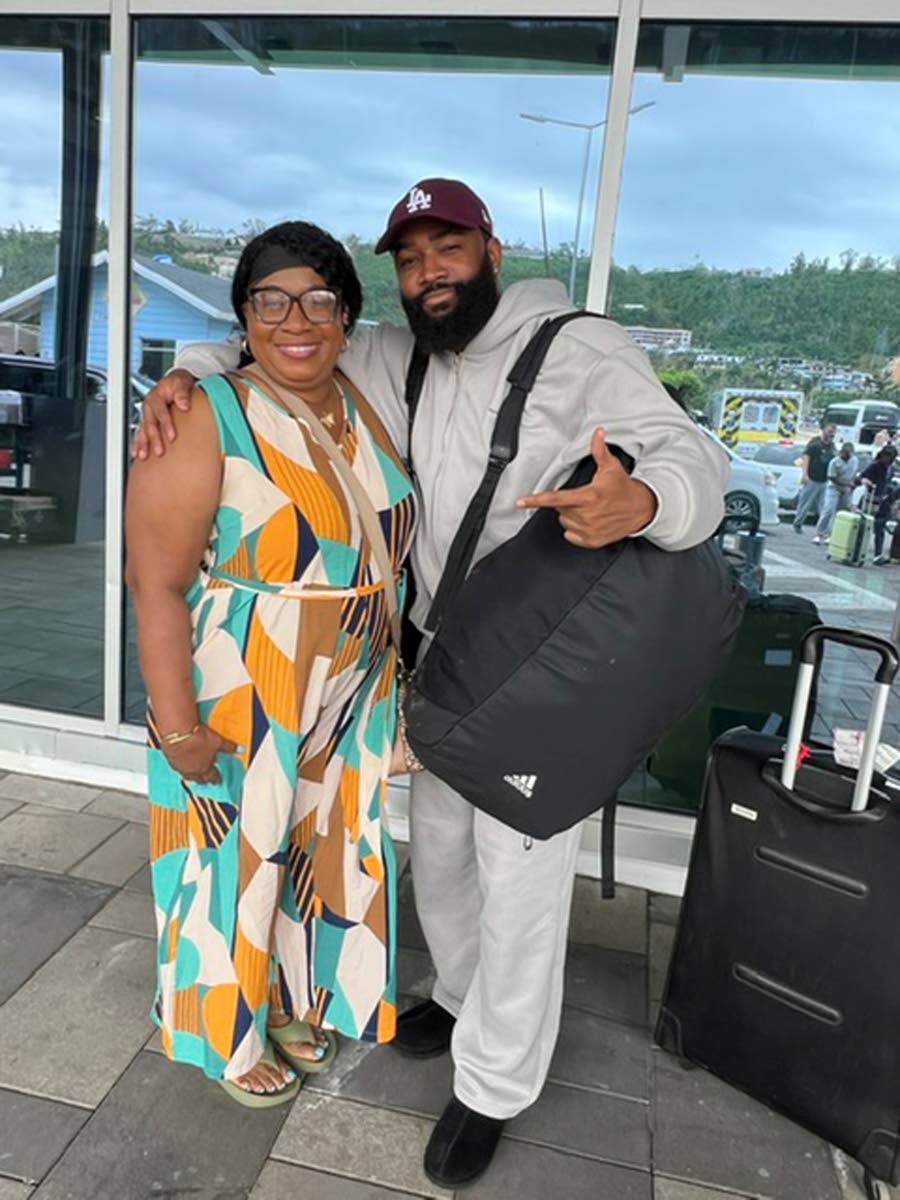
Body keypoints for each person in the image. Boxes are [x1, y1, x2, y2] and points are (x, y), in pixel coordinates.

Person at [134, 178, 728, 1186]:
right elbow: (274, 342)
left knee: (521, 877)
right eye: (410, 261)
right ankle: (457, 997)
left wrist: (646, 501)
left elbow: (695, 456)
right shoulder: (400, 351)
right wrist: (181, 376)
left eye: (448, 249)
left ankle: (495, 1083)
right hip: (437, 664)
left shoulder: (580, 349)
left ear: (491, 251)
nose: (429, 274)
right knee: (441, 850)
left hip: (545, 675)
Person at [125, 221, 416, 1107]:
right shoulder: (207, 412)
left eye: (319, 300)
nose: (296, 320)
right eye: (271, 301)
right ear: (244, 317)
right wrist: (177, 726)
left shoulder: (360, 402)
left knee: (318, 850)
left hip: (346, 694)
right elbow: (155, 583)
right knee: (233, 859)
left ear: (347, 315)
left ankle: (292, 996)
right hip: (244, 682)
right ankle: (226, 1034)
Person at [857, 445, 898, 564]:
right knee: (865, 527)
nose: (887, 459)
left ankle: (878, 555)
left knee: (880, 528)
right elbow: (861, 477)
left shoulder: (891, 469)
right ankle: (858, 551)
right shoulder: (875, 466)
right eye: (886, 456)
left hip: (882, 502)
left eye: (890, 457)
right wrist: (865, 481)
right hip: (870, 500)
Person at [793, 420, 836, 533]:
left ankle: (823, 529)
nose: (831, 435)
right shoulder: (815, 444)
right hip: (812, 478)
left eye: (833, 432)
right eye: (829, 431)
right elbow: (806, 458)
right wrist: (805, 474)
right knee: (805, 503)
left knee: (824, 506)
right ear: (823, 430)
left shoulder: (832, 446)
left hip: (824, 480)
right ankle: (798, 523)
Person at [813, 441, 857, 545]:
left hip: (846, 489)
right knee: (828, 510)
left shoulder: (854, 460)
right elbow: (832, 477)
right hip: (834, 488)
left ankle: (832, 535)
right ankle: (819, 533)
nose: (847, 457)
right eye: (846, 454)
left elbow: (854, 473)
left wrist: (851, 484)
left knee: (841, 513)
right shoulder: (834, 462)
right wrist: (847, 483)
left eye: (849, 455)